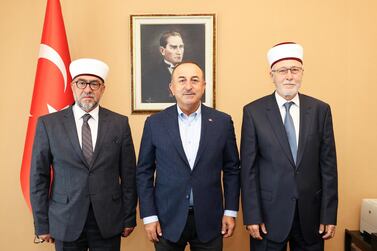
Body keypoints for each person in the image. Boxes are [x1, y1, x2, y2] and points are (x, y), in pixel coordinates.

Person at [30, 58, 137, 251]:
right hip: (65, 220)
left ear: (102, 89)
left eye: (94, 84)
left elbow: (129, 176)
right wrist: (42, 223)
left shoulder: (119, 124)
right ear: (72, 86)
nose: (88, 89)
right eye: (82, 83)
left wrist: (129, 217)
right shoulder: (49, 124)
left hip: (108, 220)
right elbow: (39, 177)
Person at [240, 42, 338, 251]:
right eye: (282, 70)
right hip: (267, 218)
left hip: (311, 218)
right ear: (271, 74)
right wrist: (252, 216)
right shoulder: (253, 112)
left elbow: (328, 167)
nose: (289, 76)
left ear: (302, 73)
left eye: (295, 70)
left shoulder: (321, 110)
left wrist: (328, 215)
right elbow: (248, 170)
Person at [137, 62, 240, 251]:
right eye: (182, 80)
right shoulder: (155, 123)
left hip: (210, 219)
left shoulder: (222, 122)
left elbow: (233, 169)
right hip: (166, 220)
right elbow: (143, 172)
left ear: (204, 86)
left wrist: (230, 211)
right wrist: (149, 216)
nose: (188, 86)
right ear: (172, 87)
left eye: (195, 80)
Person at [142, 31, 184, 103]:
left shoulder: (190, 71)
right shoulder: (149, 76)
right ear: (162, 51)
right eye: (173, 47)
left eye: (181, 47)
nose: (179, 52)